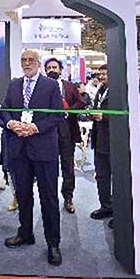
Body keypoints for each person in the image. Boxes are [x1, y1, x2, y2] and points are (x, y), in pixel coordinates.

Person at [0, 49, 64, 266]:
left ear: (38, 63)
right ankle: (25, 233)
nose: (27, 63)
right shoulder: (14, 85)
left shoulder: (51, 85)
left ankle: (53, 243)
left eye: (30, 60)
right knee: (23, 195)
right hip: (19, 150)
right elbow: (3, 113)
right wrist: (10, 123)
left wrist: (35, 127)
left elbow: (57, 116)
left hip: (44, 150)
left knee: (49, 198)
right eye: (23, 60)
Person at [44, 57, 85, 214]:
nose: (52, 70)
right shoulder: (41, 87)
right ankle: (50, 199)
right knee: (49, 168)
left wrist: (69, 111)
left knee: (68, 167)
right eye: (49, 68)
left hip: (67, 132)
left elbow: (81, 103)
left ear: (60, 69)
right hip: (47, 134)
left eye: (55, 67)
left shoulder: (69, 86)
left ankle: (68, 198)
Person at [89, 66, 112, 222]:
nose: (102, 76)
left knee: (116, 178)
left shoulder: (121, 89)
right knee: (101, 176)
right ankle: (105, 206)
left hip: (114, 140)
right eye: (101, 73)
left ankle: (119, 211)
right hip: (99, 140)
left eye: (105, 73)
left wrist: (103, 116)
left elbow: (129, 113)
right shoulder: (101, 89)